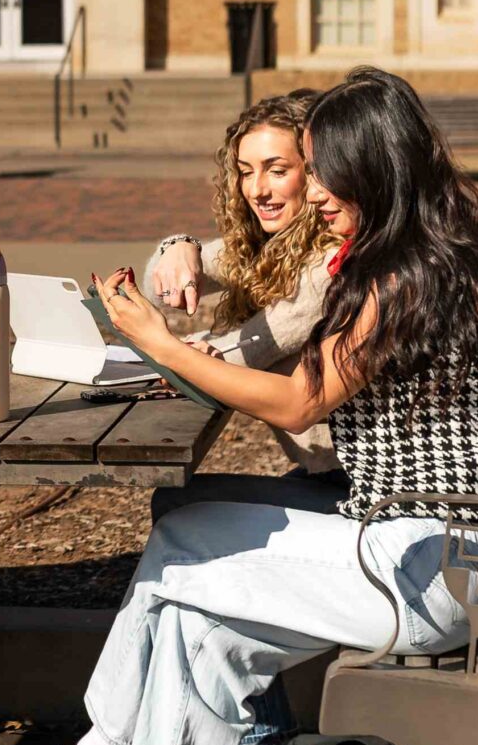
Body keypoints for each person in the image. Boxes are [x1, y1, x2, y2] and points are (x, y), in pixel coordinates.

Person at [16, 68, 478, 745]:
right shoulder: (425, 252)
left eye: (324, 171)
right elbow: (238, 258)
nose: (312, 190)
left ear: (374, 167)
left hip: (446, 566)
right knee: (196, 626)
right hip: (430, 545)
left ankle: (111, 742)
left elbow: (294, 403)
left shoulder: (404, 279)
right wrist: (180, 259)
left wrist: (155, 341)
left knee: (186, 541)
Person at [141, 90, 343, 510]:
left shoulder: (331, 260)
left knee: (180, 505)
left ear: (316, 169)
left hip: (359, 483)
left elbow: (248, 351)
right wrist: (180, 248)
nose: (258, 190)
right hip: (325, 473)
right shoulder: (269, 246)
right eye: (246, 172)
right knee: (181, 503)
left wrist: (173, 351)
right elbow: (155, 287)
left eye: (276, 170)